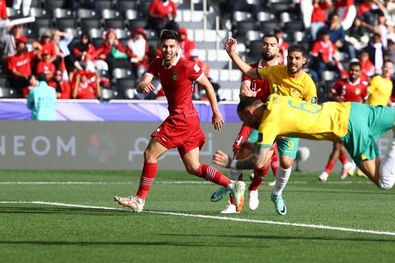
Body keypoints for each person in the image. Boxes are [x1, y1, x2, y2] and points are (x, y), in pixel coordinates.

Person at [214, 94, 395, 193]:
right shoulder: (277, 100)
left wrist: (232, 163)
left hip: (347, 128)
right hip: (353, 109)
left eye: (246, 120)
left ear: (251, 112)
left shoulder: (268, 123)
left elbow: (261, 162)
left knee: (385, 183)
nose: (247, 125)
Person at [114, 30, 246, 213]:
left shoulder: (186, 66)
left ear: (178, 48)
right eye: (165, 46)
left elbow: (207, 85)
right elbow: (141, 83)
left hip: (181, 118)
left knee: (150, 154)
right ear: (160, 47)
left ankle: (139, 199)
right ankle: (232, 185)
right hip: (188, 120)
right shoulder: (157, 63)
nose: (168, 50)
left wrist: (216, 111)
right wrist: (142, 86)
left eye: (171, 47)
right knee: (193, 167)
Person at [225, 37, 316, 215]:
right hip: (269, 123)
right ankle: (229, 188)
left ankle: (277, 193)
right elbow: (250, 72)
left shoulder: (308, 85)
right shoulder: (276, 71)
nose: (293, 62)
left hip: (291, 127)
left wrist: (292, 128)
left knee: (286, 161)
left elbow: (310, 112)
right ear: (286, 57)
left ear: (304, 60)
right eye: (291, 58)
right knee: (244, 151)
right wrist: (232, 53)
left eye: (297, 58)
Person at [210, 34, 284, 214]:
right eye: (265, 44)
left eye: (272, 45)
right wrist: (245, 94)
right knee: (237, 152)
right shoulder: (251, 69)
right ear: (261, 47)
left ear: (277, 49)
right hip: (252, 119)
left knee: (261, 162)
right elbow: (244, 95)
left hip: (271, 122)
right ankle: (233, 199)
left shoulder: (281, 72)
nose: (268, 47)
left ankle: (254, 189)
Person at [319, 61, 368, 182]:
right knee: (337, 145)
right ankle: (330, 171)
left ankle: (342, 166)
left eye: (356, 71)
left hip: (354, 120)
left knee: (342, 146)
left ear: (360, 72)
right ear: (348, 70)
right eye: (352, 70)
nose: (353, 73)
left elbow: (365, 101)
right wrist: (335, 98)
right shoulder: (341, 82)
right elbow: (330, 94)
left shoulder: (363, 86)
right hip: (340, 118)